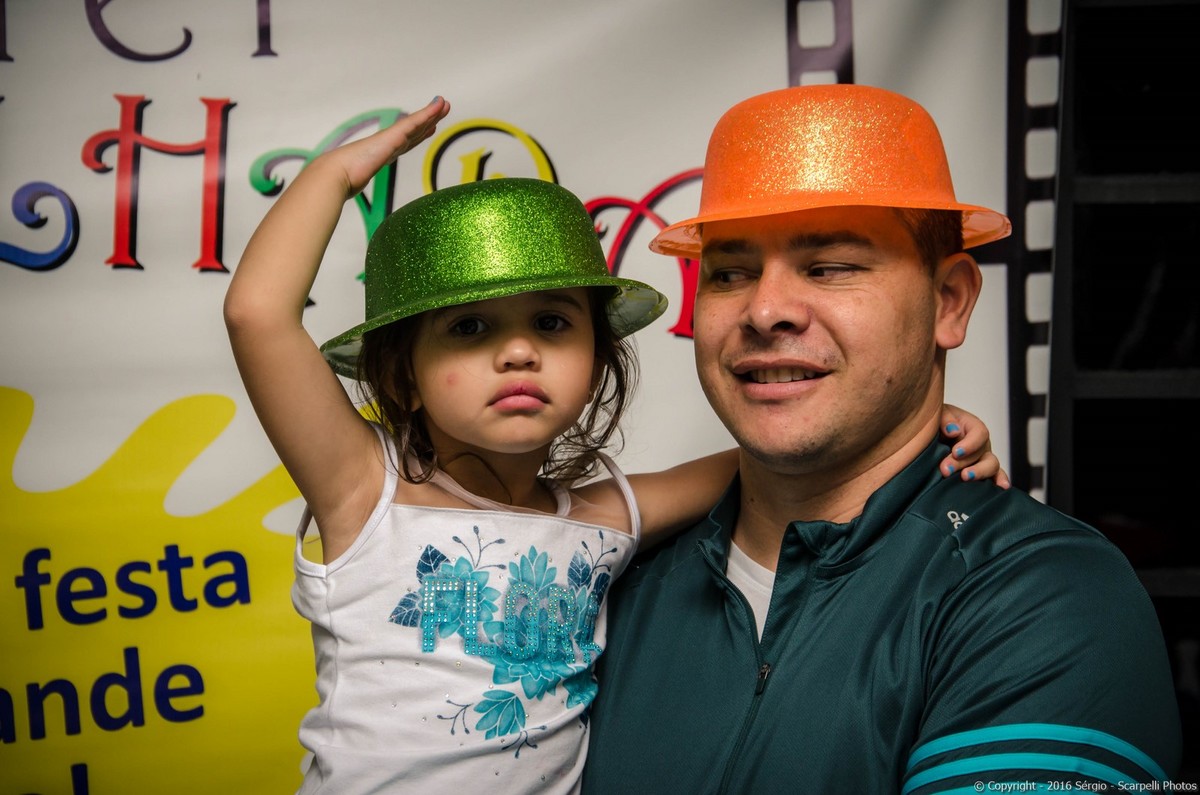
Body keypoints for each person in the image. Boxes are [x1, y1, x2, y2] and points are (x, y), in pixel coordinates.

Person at [223, 96, 1003, 793]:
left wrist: (925, 424)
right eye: (469, 328)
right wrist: (334, 175)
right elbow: (257, 313)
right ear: (405, 373)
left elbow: (796, 450)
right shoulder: (365, 492)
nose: (518, 352)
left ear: (596, 360)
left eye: (552, 323)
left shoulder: (606, 518)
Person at [583, 84, 1182, 793]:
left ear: (949, 301)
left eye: (829, 266)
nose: (765, 309)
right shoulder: (602, 583)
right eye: (729, 273)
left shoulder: (1049, 596)